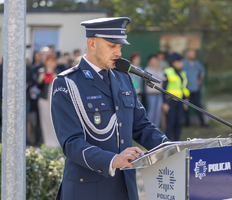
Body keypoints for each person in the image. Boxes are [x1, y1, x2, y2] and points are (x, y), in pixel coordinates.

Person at [51, 17, 169, 200]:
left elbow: (141, 125)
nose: (118, 52)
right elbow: (71, 142)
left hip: (125, 185)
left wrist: (169, 147)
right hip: (87, 188)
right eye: (112, 46)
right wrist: (113, 160)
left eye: (120, 47)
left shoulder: (123, 78)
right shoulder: (67, 83)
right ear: (92, 44)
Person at [162, 52, 190, 141]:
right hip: (170, 101)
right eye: (178, 62)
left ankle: (177, 141)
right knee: (170, 123)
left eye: (181, 62)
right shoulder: (168, 72)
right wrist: (165, 103)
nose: (180, 64)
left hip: (180, 101)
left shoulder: (183, 73)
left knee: (179, 123)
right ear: (173, 62)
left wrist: (186, 100)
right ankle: (168, 142)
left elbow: (184, 88)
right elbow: (164, 88)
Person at [37, 54, 60, 148]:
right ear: (46, 62)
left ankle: (56, 143)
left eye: (54, 61)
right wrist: (40, 80)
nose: (52, 63)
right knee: (45, 121)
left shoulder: (59, 72)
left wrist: (56, 78)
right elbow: (38, 87)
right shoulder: (41, 72)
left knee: (55, 121)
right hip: (44, 99)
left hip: (55, 101)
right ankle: (48, 143)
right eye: (50, 60)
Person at [182, 48, 207, 127]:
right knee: (186, 106)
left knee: (198, 106)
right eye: (192, 53)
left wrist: (200, 80)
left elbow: (202, 70)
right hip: (187, 89)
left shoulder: (196, 63)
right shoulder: (183, 63)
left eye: (194, 54)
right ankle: (187, 124)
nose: (193, 55)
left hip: (195, 89)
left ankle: (202, 123)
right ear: (187, 54)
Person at [144, 54, 164, 128]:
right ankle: (150, 127)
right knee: (151, 110)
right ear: (149, 62)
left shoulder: (160, 70)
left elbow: (162, 79)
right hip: (151, 93)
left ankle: (156, 127)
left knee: (158, 111)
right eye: (152, 61)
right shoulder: (147, 70)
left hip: (159, 93)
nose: (154, 62)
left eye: (155, 60)